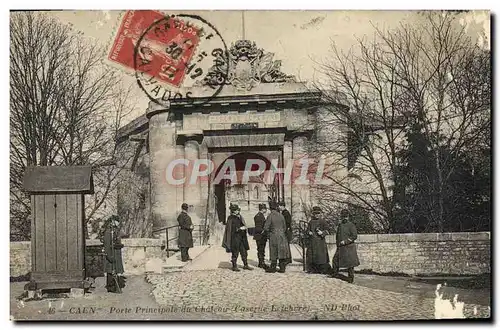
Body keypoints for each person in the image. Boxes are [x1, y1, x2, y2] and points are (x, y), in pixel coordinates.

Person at [331, 209, 360, 283]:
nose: (344, 218)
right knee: (335, 260)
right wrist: (338, 244)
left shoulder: (351, 225)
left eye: (346, 216)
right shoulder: (340, 225)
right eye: (343, 216)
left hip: (349, 247)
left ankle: (350, 278)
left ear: (348, 217)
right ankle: (335, 274)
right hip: (340, 247)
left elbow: (354, 236)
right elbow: (338, 235)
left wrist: (346, 241)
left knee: (350, 264)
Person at [263, 201, 292, 273]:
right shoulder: (281, 215)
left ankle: (273, 268)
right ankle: (282, 268)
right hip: (282, 236)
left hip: (273, 235)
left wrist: (269, 233)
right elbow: (285, 227)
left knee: (274, 251)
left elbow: (266, 227)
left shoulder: (270, 216)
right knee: (281, 251)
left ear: (270, 208)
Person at [222, 203, 253, 272]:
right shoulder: (230, 218)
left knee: (244, 251)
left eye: (238, 210)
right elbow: (230, 229)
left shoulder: (239, 217)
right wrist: (239, 229)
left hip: (242, 238)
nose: (238, 211)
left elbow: (243, 224)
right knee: (235, 252)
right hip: (235, 238)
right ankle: (234, 266)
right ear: (233, 211)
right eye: (236, 210)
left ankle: (245, 265)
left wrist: (244, 228)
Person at [101, 215, 125, 293]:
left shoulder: (115, 231)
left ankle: (114, 286)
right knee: (110, 270)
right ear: (113, 222)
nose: (118, 223)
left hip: (116, 252)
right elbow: (107, 245)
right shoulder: (108, 232)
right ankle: (111, 287)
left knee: (115, 270)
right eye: (117, 221)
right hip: (111, 253)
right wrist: (109, 256)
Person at [305, 206, 331, 274]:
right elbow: (307, 230)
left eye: (318, 213)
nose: (317, 215)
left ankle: (322, 270)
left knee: (321, 257)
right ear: (313, 214)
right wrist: (309, 232)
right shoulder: (311, 222)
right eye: (315, 213)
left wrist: (322, 232)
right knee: (312, 256)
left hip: (320, 242)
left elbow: (328, 230)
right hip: (312, 242)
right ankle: (313, 269)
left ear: (320, 214)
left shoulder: (323, 221)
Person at [253, 203, 269, 269]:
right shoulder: (259, 216)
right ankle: (261, 263)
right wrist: (263, 231)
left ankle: (261, 262)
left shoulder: (259, 215)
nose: (266, 210)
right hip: (260, 236)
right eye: (265, 209)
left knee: (261, 250)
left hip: (260, 236)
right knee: (261, 249)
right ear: (263, 209)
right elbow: (258, 228)